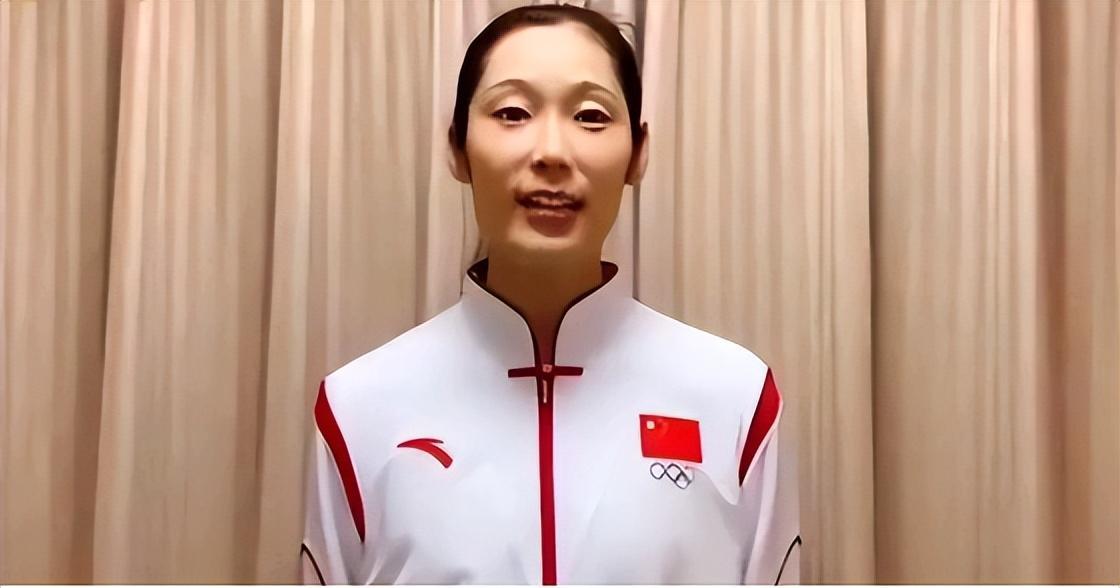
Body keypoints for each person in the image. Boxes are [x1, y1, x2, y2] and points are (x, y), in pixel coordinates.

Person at [300, 3, 800, 584]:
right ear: (458, 148)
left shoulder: (736, 398)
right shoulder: (357, 408)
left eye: (591, 116)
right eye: (512, 113)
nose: (552, 153)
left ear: (638, 152)